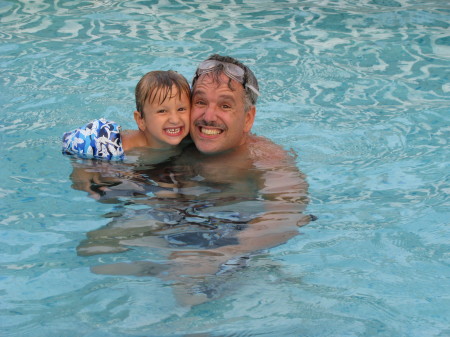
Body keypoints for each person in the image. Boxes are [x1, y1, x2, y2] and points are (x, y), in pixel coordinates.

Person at [86, 55, 312, 305]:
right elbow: (104, 156)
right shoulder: (175, 141)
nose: (209, 116)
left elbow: (288, 214)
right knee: (95, 248)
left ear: (248, 118)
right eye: (201, 102)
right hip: (172, 217)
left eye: (225, 106)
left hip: (229, 228)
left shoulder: (264, 157)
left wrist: (222, 253)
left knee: (188, 293)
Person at [62, 70, 191, 160]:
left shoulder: (191, 140)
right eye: (162, 111)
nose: (175, 119)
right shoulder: (119, 148)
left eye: (181, 109)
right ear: (141, 120)